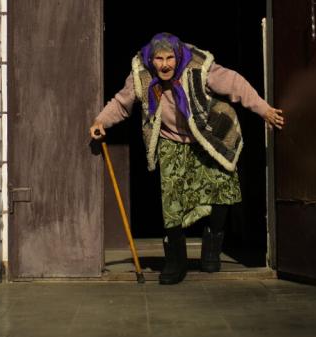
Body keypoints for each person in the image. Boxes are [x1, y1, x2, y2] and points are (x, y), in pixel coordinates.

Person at [89, 33, 284, 285]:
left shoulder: (198, 67)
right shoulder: (142, 74)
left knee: (222, 189)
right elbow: (121, 103)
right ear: (151, 59)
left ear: (178, 56)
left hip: (209, 134)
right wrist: (100, 121)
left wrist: (264, 109)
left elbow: (235, 84)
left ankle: (212, 243)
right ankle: (176, 260)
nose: (165, 64)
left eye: (170, 58)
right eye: (159, 59)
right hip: (171, 139)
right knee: (171, 199)